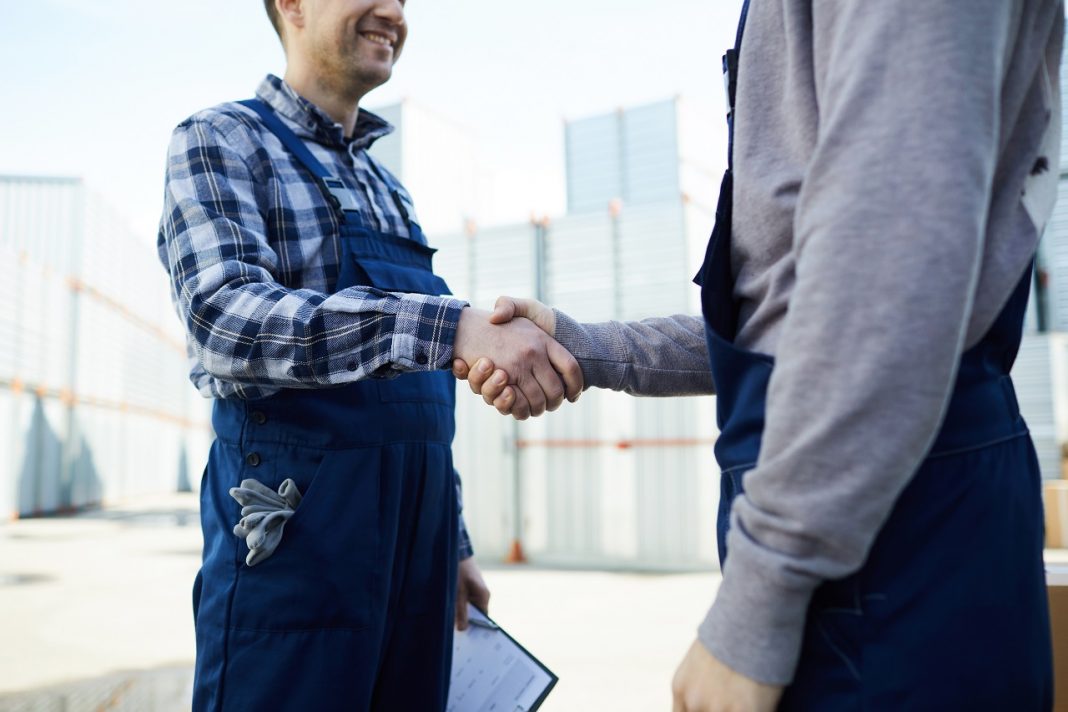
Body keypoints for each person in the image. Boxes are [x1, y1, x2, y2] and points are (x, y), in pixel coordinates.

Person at [456, 1, 1063, 709]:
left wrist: (758, 599)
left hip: (889, 528)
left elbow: (886, 288)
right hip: (868, 512)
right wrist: (585, 347)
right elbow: (783, 319)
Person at [156, 1, 582, 710]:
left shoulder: (389, 189)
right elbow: (223, 320)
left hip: (420, 557)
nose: (394, 10)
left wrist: (452, 541)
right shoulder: (221, 140)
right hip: (298, 548)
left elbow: (416, 398)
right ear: (291, 5)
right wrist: (450, 327)